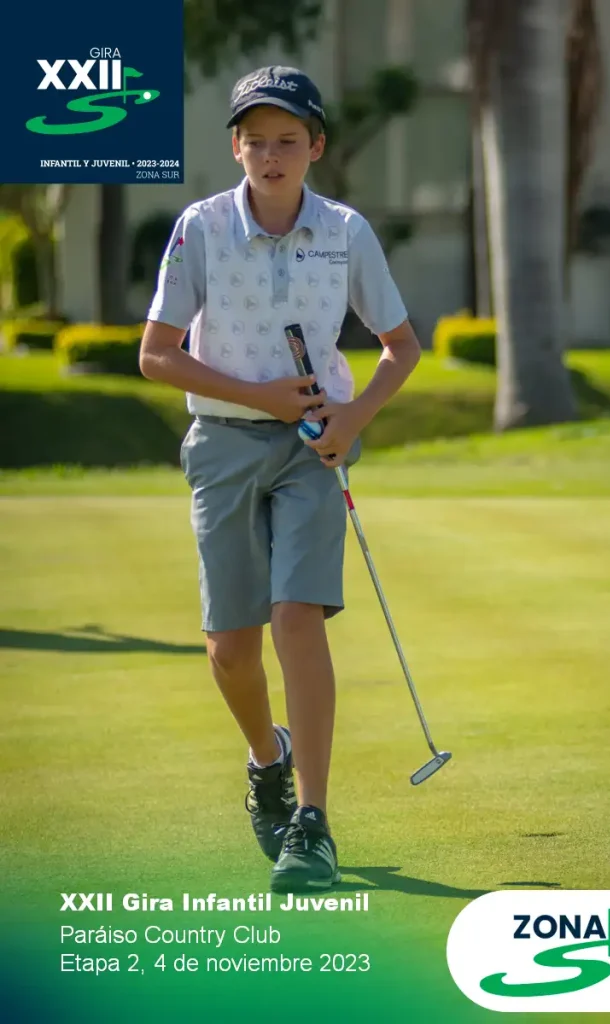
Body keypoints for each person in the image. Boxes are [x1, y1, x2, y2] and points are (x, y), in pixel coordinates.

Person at [140, 65, 421, 892]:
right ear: (235, 148)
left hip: (310, 449)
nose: (270, 156)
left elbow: (401, 347)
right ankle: (269, 757)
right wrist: (257, 394)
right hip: (223, 444)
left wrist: (351, 420)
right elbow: (156, 355)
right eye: (256, 141)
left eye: (287, 141)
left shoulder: (345, 232)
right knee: (231, 650)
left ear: (314, 148)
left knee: (297, 618)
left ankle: (313, 821)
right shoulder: (199, 229)